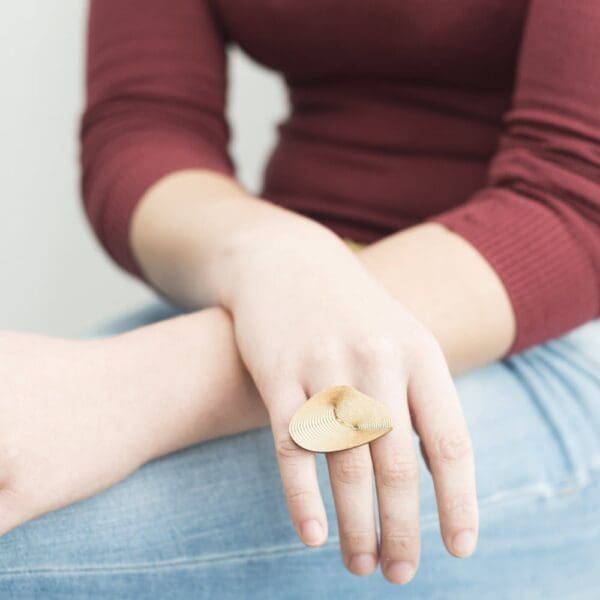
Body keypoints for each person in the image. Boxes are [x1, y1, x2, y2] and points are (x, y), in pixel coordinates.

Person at [0, 0, 598, 597]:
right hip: (262, 298)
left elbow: (578, 199)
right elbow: (143, 125)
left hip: (537, 335)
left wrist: (127, 387)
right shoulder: (276, 268)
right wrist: (273, 253)